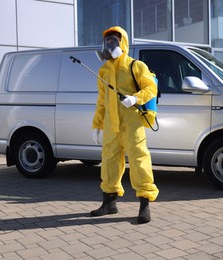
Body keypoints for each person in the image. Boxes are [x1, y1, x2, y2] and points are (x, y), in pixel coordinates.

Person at [90, 26, 159, 224]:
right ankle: (109, 203)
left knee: (139, 161)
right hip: (111, 125)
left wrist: (135, 99)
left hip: (132, 123)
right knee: (109, 162)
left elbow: (150, 88)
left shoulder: (135, 66)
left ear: (123, 43)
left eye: (114, 41)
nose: (110, 45)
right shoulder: (103, 70)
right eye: (107, 42)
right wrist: (97, 125)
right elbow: (101, 101)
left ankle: (144, 205)